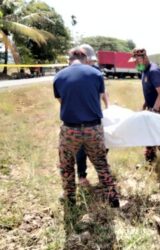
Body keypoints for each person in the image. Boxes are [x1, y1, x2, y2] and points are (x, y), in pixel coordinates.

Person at [53, 47, 119, 207]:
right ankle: (113, 199)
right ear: (85, 58)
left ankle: (70, 200)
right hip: (93, 128)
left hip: (70, 129)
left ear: (69, 59)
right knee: (101, 164)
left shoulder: (59, 76)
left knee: (67, 165)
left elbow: (62, 101)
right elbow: (98, 97)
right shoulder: (96, 74)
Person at [129, 48, 160, 171]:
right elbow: (151, 92)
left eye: (136, 61)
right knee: (148, 136)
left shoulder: (154, 71)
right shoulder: (144, 71)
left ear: (143, 58)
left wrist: (154, 111)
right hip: (153, 107)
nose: (134, 64)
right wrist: (145, 105)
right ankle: (149, 161)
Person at [73, 44, 110, 187]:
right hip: (80, 117)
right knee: (81, 148)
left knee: (101, 146)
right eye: (90, 60)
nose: (92, 63)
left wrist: (108, 107)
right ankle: (82, 177)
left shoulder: (95, 72)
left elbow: (103, 91)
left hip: (93, 116)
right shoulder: (74, 71)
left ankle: (102, 175)